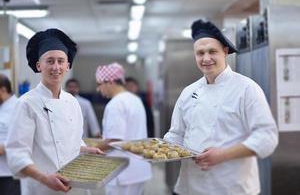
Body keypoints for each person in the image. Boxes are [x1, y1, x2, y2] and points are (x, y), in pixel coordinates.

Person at [163, 19, 278, 195]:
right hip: (190, 186)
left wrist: (223, 154)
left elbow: (267, 137)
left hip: (231, 187)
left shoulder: (246, 88)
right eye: (200, 53)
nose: (206, 58)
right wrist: (156, 149)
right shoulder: (188, 92)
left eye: (212, 52)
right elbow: (177, 134)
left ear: (225, 52)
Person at [6, 28, 103, 195]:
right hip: (42, 188)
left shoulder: (72, 102)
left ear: (68, 65)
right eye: (49, 61)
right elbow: (16, 154)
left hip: (76, 186)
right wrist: (45, 178)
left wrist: (86, 149)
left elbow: (70, 140)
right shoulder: (26, 104)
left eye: (60, 61)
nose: (56, 67)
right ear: (39, 65)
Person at [95, 62, 152, 195]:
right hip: (139, 168)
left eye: (99, 84)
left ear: (110, 82)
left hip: (123, 172)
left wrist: (90, 149)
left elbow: (114, 140)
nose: (98, 89)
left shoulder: (116, 104)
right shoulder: (135, 100)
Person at [0, 74, 20, 195]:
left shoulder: (18, 108)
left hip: (10, 175)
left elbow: (21, 142)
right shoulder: (2, 107)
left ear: (3, 89)